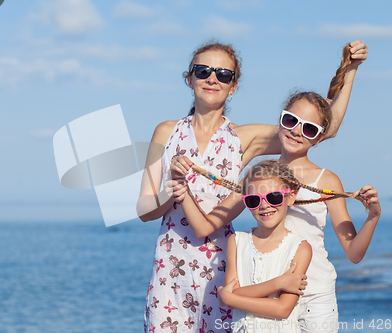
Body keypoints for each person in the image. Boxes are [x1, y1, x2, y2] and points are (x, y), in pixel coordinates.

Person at [137, 40, 368, 333]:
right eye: (203, 70)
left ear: (233, 86)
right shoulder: (166, 131)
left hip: (224, 266)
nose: (212, 78)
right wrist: (172, 188)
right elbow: (144, 210)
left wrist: (349, 72)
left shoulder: (242, 137)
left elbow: (319, 128)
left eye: (223, 74)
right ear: (189, 77)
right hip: (171, 265)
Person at [217, 160, 312, 333]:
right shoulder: (237, 241)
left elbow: (282, 309)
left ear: (290, 197)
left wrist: (228, 297)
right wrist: (279, 283)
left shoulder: (300, 248)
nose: (264, 205)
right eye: (253, 200)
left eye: (273, 197)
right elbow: (227, 297)